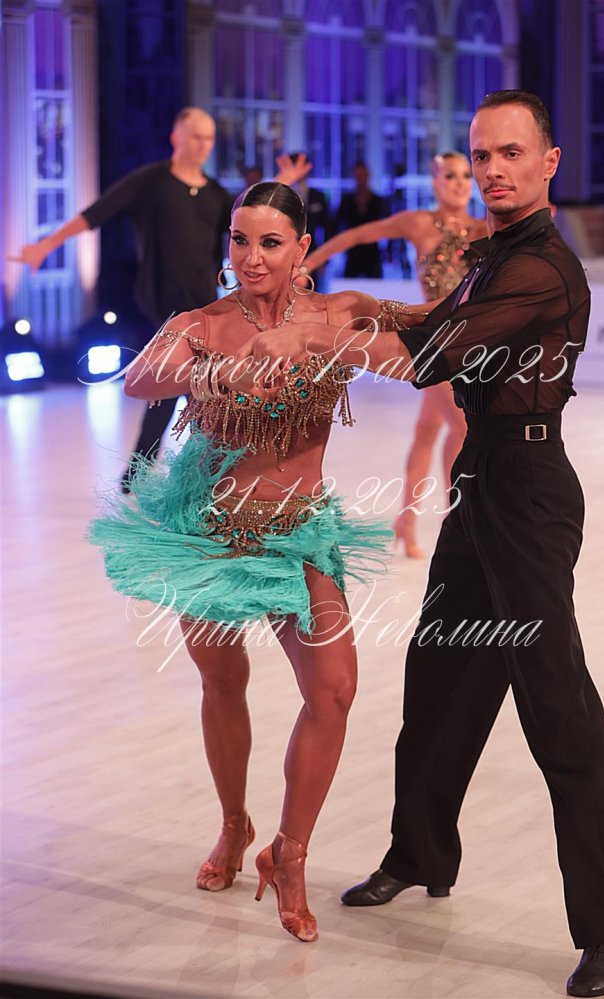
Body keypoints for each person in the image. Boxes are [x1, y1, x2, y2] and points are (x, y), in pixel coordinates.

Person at [236, 93, 604, 996]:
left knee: (558, 707)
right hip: (483, 479)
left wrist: (320, 329)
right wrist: (361, 301)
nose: (492, 168)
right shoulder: (493, 254)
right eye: (480, 154)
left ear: (549, 162)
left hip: (529, 494)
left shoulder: (542, 267)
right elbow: (432, 317)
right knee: (441, 678)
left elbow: (434, 355)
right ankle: (418, 853)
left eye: (510, 153)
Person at [87, 182, 440, 944]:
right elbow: (139, 377)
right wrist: (215, 372)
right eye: (240, 240)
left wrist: (319, 344)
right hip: (211, 531)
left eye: (270, 242)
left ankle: (290, 850)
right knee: (223, 682)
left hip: (300, 531)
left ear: (302, 248)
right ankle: (233, 823)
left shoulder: (335, 313)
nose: (251, 257)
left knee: (334, 689)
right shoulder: (203, 323)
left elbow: (415, 359)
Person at [8, 107, 310, 492]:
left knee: (196, 390)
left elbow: (253, 216)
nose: (203, 145)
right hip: (160, 307)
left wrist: (282, 183)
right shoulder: (151, 182)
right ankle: (159, 473)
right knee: (175, 387)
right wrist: (45, 246)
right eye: (196, 136)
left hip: (202, 307)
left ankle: (174, 473)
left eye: (209, 138)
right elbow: (97, 213)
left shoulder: (215, 194)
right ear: (176, 137)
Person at [305, 152, 486, 557]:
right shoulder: (418, 223)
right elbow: (356, 236)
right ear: (435, 182)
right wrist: (305, 265)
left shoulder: (481, 227)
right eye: (450, 176)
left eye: (465, 175)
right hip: (432, 344)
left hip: (469, 345)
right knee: (461, 427)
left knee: (428, 431)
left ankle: (407, 520)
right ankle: (458, 522)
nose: (459, 183)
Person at [334, 161, 386, 278]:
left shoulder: (378, 202)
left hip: (373, 252)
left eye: (363, 175)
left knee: (375, 286)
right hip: (352, 252)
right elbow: (336, 226)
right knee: (349, 285)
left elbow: (388, 226)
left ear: (368, 176)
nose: (360, 179)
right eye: (358, 176)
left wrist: (388, 251)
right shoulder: (347, 202)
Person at [289, 152, 331, 290]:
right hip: (287, 251)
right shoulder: (282, 196)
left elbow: (327, 228)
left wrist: (324, 258)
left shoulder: (318, 196)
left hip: (312, 253)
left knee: (313, 292)